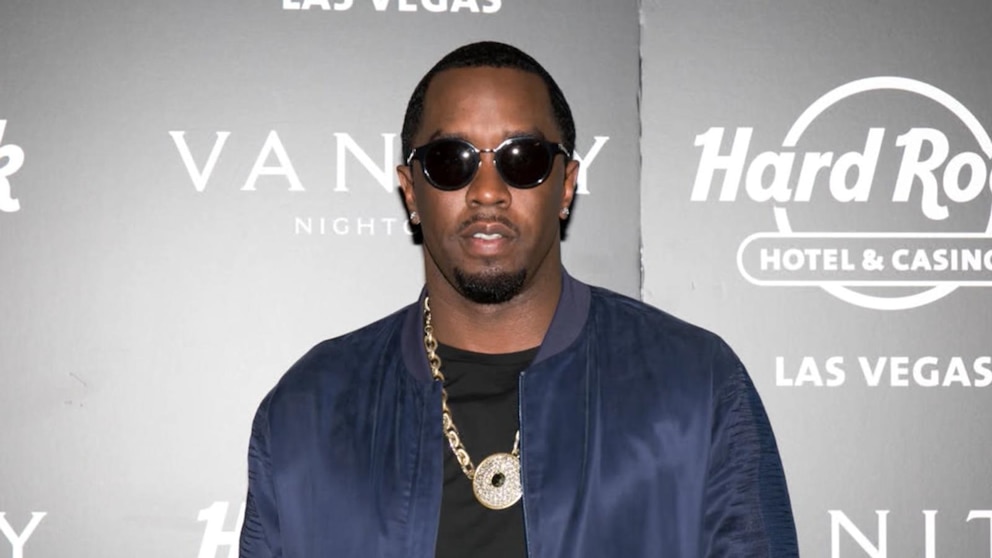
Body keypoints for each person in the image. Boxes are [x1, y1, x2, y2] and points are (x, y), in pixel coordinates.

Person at [239, 41, 798, 558]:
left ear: (566, 184)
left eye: (522, 158)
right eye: (452, 160)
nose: (488, 191)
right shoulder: (309, 410)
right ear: (410, 190)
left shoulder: (696, 386)